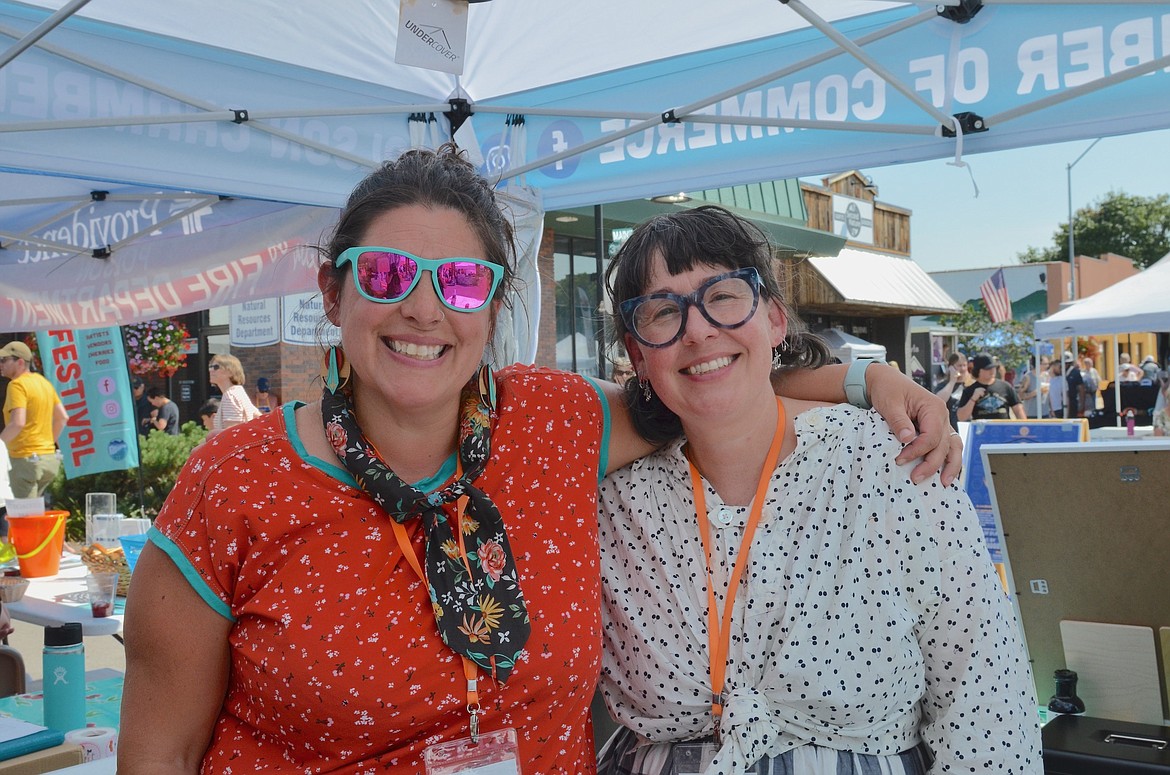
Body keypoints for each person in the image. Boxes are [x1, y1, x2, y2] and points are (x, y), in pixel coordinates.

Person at [119, 146, 960, 773]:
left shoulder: (549, 421)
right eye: (382, 273)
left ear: (491, 308)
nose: (421, 307)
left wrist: (865, 376)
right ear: (333, 293)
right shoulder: (233, 481)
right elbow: (157, 752)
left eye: (459, 281)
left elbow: (699, 370)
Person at [595, 205, 1041, 774]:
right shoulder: (612, 497)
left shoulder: (894, 462)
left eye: (724, 295)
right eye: (662, 312)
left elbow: (985, 701)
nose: (699, 327)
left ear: (775, 320)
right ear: (637, 353)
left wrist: (871, 377)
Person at [0, 342, 67, 498]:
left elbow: (18, 422)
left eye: (4, 360)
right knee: (32, 512)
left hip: (25, 460)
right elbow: (62, 417)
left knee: (23, 515)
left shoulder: (16, 385)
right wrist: (48, 443)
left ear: (21, 362)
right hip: (48, 460)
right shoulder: (43, 382)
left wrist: (0, 445)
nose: (0, 364)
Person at [956, 352, 1026, 422]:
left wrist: (1025, 427)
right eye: (988, 368)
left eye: (994, 367)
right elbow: (961, 417)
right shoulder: (969, 390)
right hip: (982, 431)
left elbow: (1018, 409)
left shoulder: (1005, 387)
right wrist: (973, 399)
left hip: (1004, 430)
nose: (992, 371)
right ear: (978, 370)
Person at [207, 354, 261, 434]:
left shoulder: (230, 395)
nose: (211, 370)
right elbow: (259, 417)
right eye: (210, 367)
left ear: (230, 372)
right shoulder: (239, 391)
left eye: (216, 367)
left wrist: (212, 436)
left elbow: (232, 432)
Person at [933, 351, 969, 430]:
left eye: (964, 365)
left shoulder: (970, 384)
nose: (962, 369)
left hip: (967, 428)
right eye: (959, 366)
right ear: (951, 367)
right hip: (950, 430)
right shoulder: (943, 385)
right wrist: (952, 381)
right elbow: (939, 401)